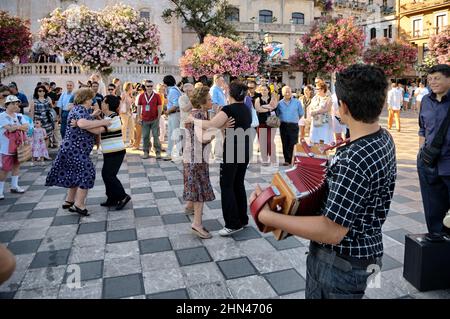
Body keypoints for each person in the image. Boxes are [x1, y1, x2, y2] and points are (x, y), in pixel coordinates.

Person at [250, 64, 395, 299]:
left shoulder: (353, 158)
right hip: (368, 252)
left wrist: (267, 216)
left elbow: (331, 231)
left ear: (343, 107)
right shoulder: (382, 137)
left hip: (341, 263)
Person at [190, 81, 250, 236]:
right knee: (238, 184)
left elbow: (211, 124)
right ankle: (242, 219)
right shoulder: (246, 108)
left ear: (229, 94)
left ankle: (232, 223)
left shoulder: (228, 109)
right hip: (244, 150)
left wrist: (193, 120)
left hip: (232, 151)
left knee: (227, 186)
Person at [46, 88, 112, 216]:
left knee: (75, 173)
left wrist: (92, 117)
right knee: (87, 172)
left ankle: (69, 201)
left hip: (70, 149)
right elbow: (82, 123)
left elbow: (83, 121)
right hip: (75, 150)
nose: (92, 101)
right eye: (91, 98)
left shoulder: (78, 109)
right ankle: (79, 205)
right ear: (86, 99)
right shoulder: (80, 109)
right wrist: (103, 123)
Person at [417, 64, 450, 235]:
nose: (432, 82)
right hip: (429, 163)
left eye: (437, 78)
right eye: (430, 79)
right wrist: (421, 151)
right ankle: (437, 241)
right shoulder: (426, 101)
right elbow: (422, 128)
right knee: (433, 209)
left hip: (449, 162)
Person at [183, 86, 216, 239]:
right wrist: (216, 131)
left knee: (195, 187)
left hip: (193, 157)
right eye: (209, 99)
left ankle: (189, 207)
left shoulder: (196, 114)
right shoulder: (199, 115)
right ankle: (197, 224)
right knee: (199, 191)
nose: (211, 101)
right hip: (196, 159)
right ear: (202, 102)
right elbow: (202, 138)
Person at [99, 95, 131, 210]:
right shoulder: (107, 117)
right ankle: (112, 198)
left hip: (116, 152)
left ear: (107, 105)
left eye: (103, 102)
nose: (101, 104)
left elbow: (98, 129)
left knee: (109, 175)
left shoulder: (113, 118)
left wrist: (81, 124)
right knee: (106, 175)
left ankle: (123, 196)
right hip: (110, 152)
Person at [0, 95, 29, 200]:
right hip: (6, 147)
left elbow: (26, 127)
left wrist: (16, 127)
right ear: (6, 105)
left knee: (17, 165)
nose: (15, 105)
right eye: (12, 103)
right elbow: (10, 129)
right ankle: (0, 190)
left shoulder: (19, 116)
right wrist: (19, 127)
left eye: (16, 103)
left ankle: (14, 186)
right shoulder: (2, 116)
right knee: (4, 169)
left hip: (18, 146)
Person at [276, 86, 304, 165]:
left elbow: (301, 114)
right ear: (282, 93)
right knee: (285, 143)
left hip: (293, 125)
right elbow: (277, 114)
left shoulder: (297, 102)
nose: (287, 93)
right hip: (283, 125)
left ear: (291, 92)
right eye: (285, 92)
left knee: (293, 142)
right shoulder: (279, 103)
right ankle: (287, 160)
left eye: (289, 91)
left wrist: (294, 119)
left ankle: (293, 159)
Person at [137, 80, 162, 159]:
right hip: (145, 119)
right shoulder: (141, 96)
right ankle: (146, 151)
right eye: (148, 86)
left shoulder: (157, 96)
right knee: (145, 136)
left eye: (151, 86)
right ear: (145, 86)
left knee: (155, 136)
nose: (150, 88)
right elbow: (139, 107)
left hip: (154, 119)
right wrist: (138, 117)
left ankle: (158, 152)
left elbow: (160, 107)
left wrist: (158, 117)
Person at [255, 85, 278, 165]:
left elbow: (274, 106)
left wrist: (263, 106)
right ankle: (264, 159)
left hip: (272, 122)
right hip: (261, 123)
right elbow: (258, 109)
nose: (263, 91)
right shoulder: (258, 99)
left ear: (268, 91)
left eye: (265, 90)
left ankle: (272, 159)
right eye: (262, 90)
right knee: (262, 142)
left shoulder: (273, 98)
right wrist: (268, 108)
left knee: (270, 141)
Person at [309, 81, 333, 145]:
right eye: (316, 89)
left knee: (322, 139)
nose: (316, 90)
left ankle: (322, 153)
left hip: (324, 122)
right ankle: (316, 153)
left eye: (317, 89)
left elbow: (327, 109)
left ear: (323, 89)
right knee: (314, 139)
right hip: (315, 121)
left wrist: (316, 111)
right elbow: (311, 107)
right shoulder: (314, 98)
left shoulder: (328, 99)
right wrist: (311, 111)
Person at [164, 75, 182, 161]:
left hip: (174, 114)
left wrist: (167, 111)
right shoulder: (175, 89)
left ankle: (176, 154)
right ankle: (171, 153)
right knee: (173, 134)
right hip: (174, 114)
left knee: (174, 134)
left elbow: (175, 105)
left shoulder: (172, 91)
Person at [119, 82, 134, 146]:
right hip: (123, 113)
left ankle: (132, 140)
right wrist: (119, 112)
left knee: (132, 126)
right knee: (124, 127)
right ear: (127, 87)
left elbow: (131, 104)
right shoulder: (123, 94)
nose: (132, 88)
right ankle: (123, 141)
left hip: (129, 113)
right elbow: (120, 103)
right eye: (131, 86)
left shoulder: (130, 94)